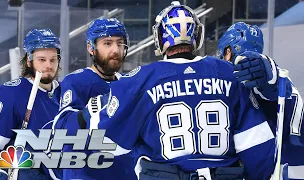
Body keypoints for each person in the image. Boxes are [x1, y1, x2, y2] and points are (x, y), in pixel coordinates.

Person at [83, 1, 278, 179]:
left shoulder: (142, 79)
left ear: (160, 37)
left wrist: (91, 113)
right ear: (197, 35)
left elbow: (107, 143)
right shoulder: (229, 74)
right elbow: (259, 151)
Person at [217, 22, 304, 180]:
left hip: (277, 169)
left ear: (228, 51)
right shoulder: (280, 76)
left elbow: (268, 86)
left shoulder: (257, 77)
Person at [53, 18, 136, 180]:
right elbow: (61, 129)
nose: (116, 50)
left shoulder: (129, 84)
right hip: (86, 173)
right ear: (91, 48)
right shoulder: (76, 82)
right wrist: (87, 113)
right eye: (107, 43)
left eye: (120, 43)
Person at [0, 28, 62, 179]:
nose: (48, 65)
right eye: (42, 60)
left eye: (53, 59)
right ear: (29, 60)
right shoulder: (12, 94)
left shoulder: (67, 93)